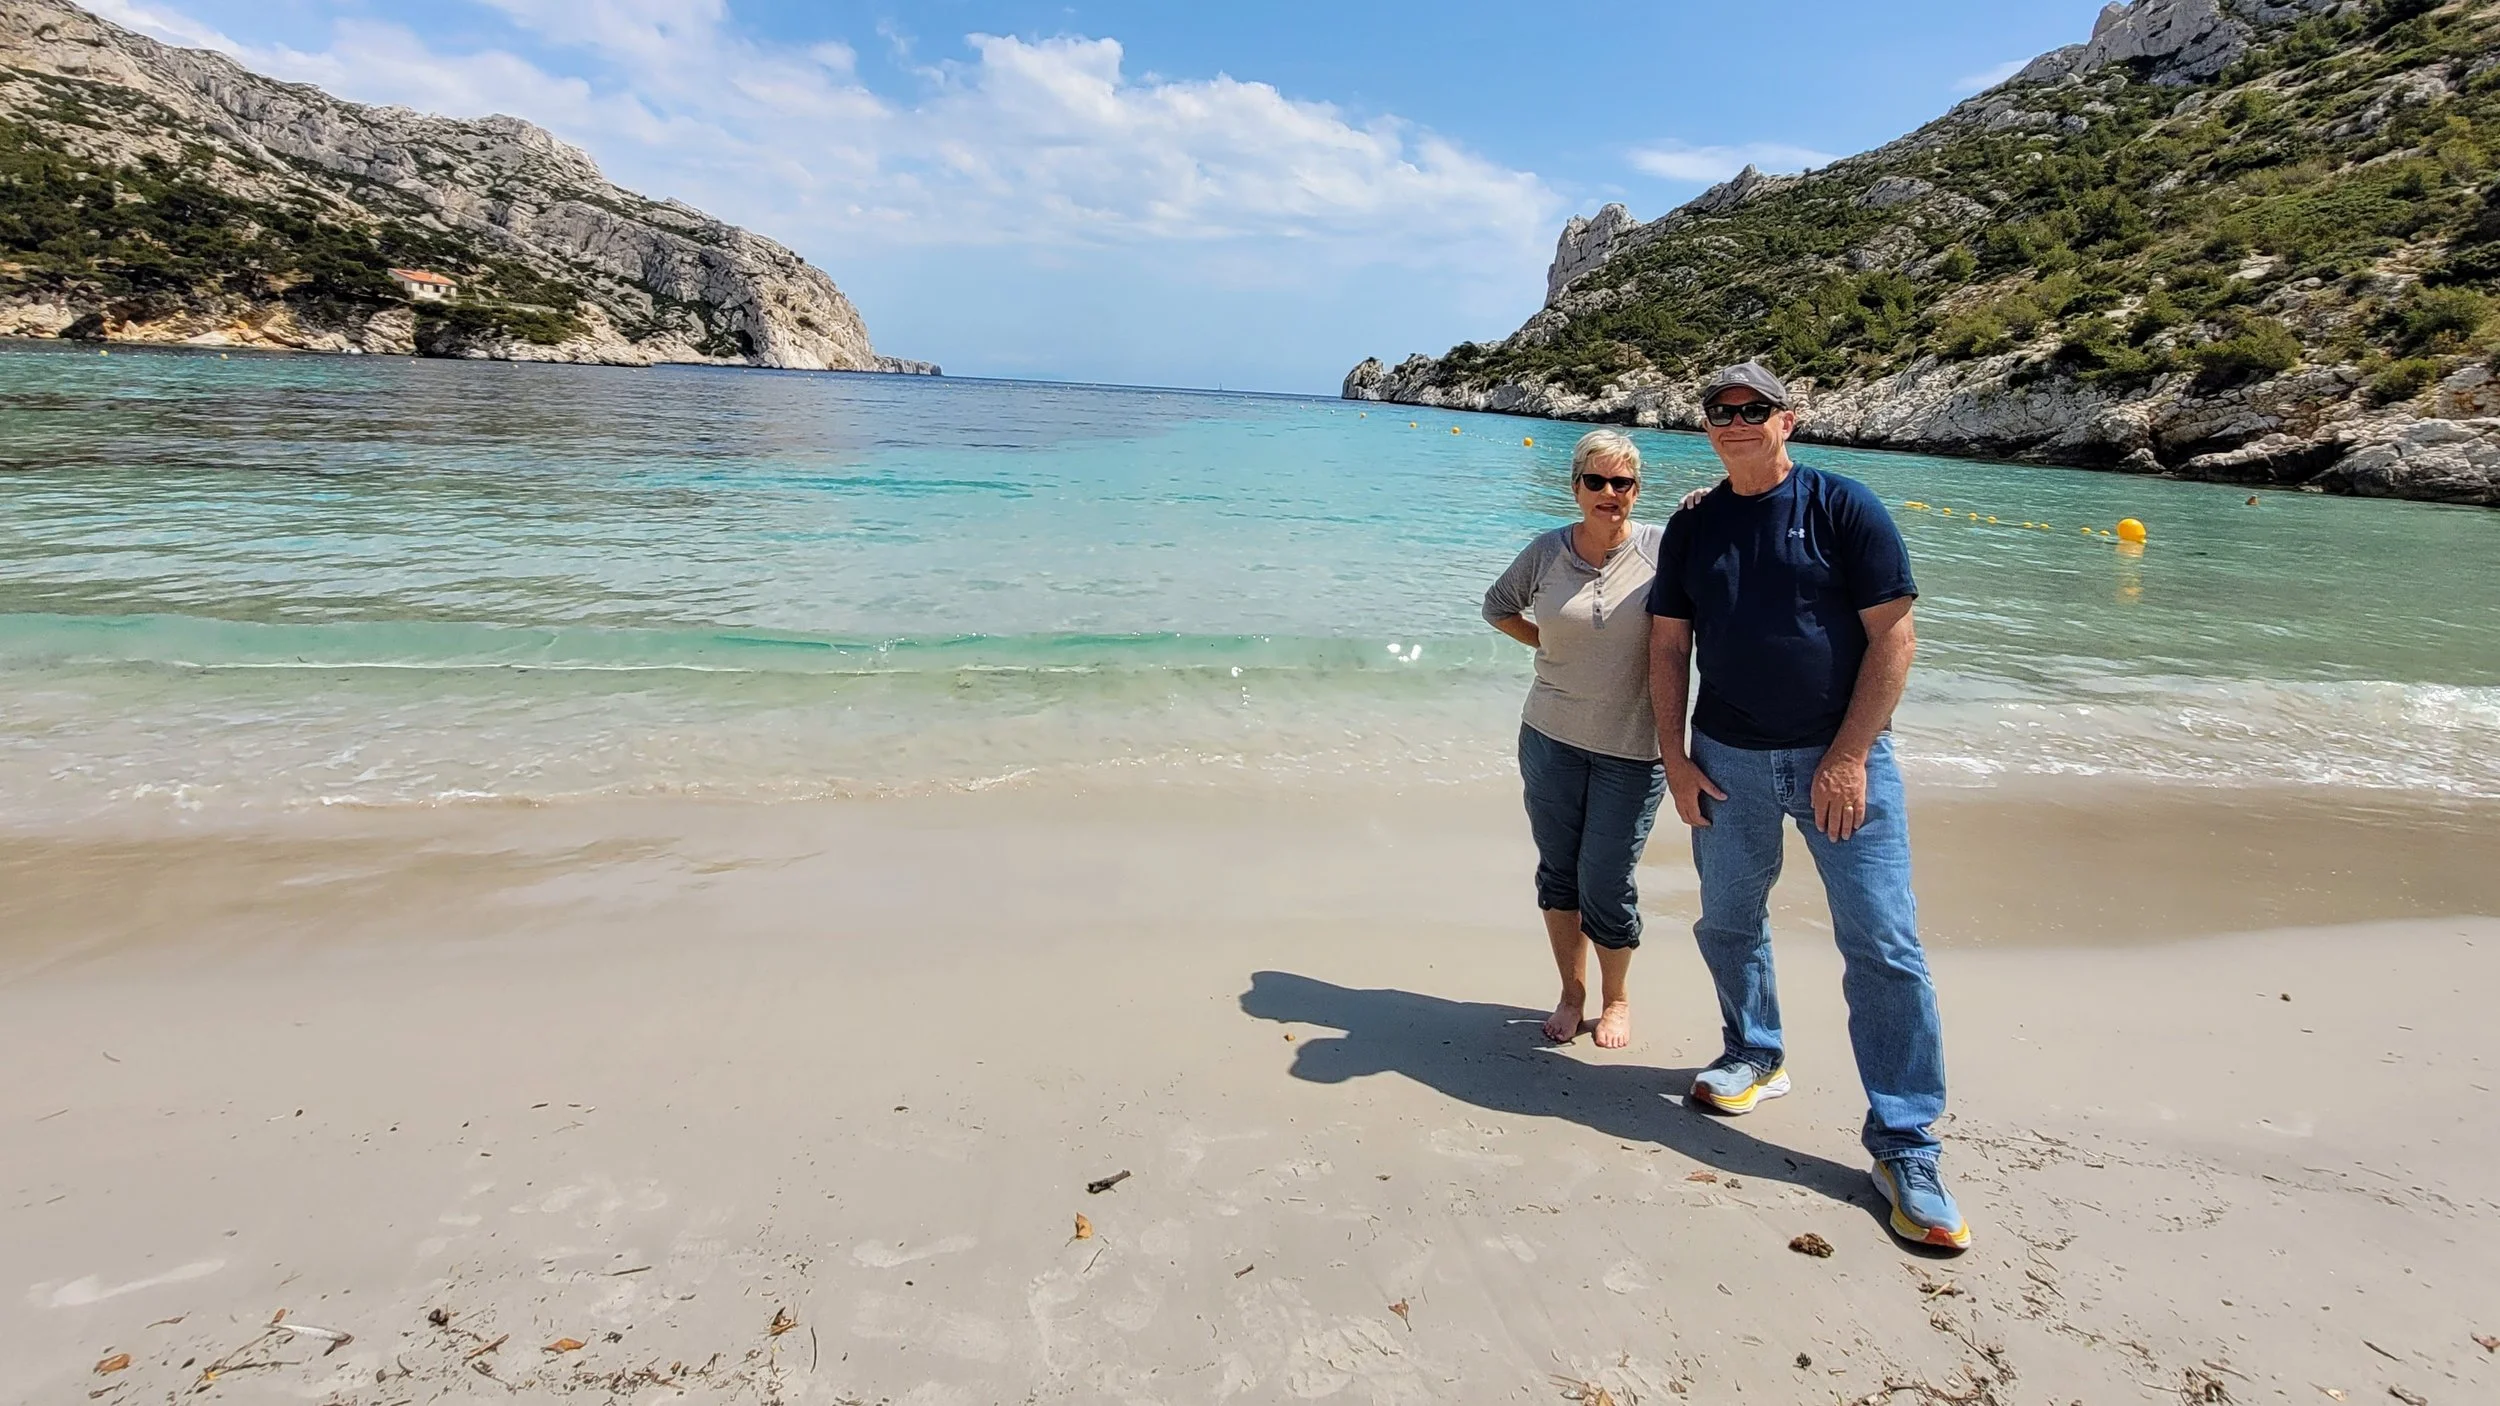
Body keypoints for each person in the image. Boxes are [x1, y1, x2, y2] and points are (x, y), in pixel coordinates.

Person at [1646, 362, 1970, 1252]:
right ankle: (1754, 1051)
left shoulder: (1844, 505)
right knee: (1728, 920)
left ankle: (1905, 1144)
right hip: (1725, 763)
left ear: (1789, 419)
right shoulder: (1694, 525)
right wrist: (1675, 757)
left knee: (1884, 944)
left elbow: (1893, 636)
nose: (1737, 421)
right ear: (1706, 425)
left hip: (1845, 765)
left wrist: (1852, 754)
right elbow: (1670, 648)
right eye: (1721, 410)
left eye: (1754, 409)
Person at [1483, 430, 1668, 1051]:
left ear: (1637, 491)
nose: (1609, 494)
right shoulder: (1546, 551)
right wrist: (1548, 645)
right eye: (1596, 482)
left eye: (1622, 483)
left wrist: (1709, 503)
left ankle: (1617, 999)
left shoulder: (1663, 550)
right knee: (1560, 873)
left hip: (1634, 749)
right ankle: (1572, 992)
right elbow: (1497, 606)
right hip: (1550, 738)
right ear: (1576, 487)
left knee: (1607, 880)